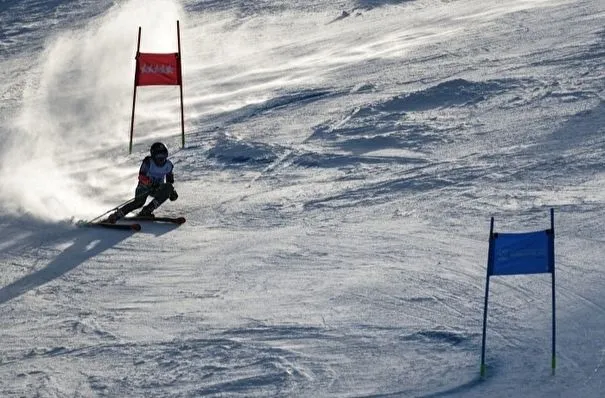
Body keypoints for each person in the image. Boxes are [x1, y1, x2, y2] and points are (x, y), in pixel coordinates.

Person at [107, 142, 178, 223]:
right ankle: (117, 215)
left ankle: (146, 211)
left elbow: (169, 182)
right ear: (153, 155)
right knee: (139, 203)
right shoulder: (148, 162)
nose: (161, 158)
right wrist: (150, 183)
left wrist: (171, 192)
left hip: (157, 187)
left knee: (167, 189)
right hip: (144, 187)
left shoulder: (169, 165)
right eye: (158, 155)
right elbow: (141, 176)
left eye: (163, 155)